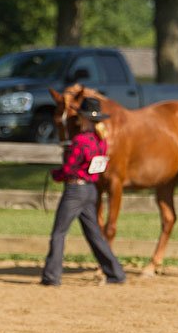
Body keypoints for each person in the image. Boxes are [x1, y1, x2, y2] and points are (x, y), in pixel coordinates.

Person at [41, 97, 126, 286]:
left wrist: (55, 174)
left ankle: (51, 276)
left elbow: (69, 169)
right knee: (94, 234)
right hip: (90, 190)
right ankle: (115, 272)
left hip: (75, 191)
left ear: (84, 118)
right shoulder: (101, 141)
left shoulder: (80, 140)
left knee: (59, 233)